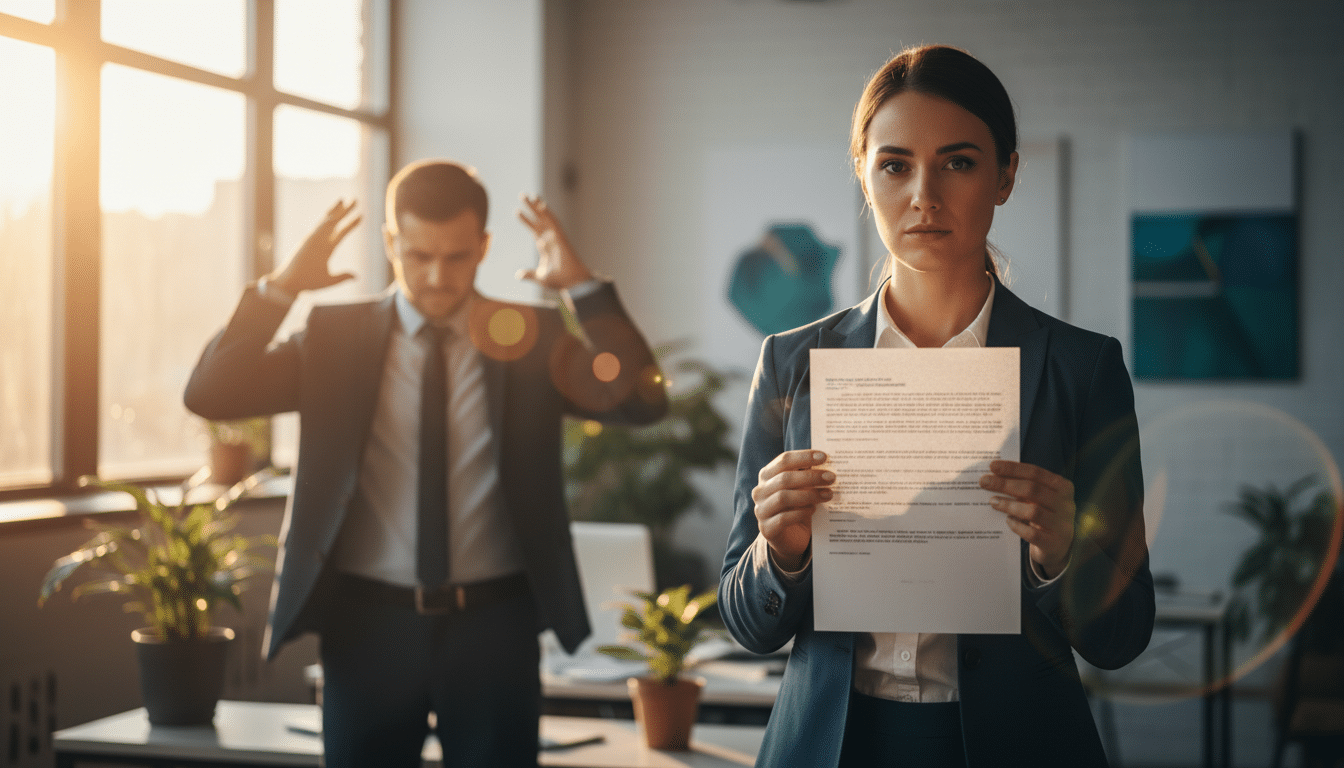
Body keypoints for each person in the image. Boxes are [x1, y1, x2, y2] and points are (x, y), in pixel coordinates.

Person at [718, 45, 1154, 768]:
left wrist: (1062, 553)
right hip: (831, 745)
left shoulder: (1081, 370)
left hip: (1019, 747)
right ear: (863, 172)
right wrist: (782, 552)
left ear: (1006, 174)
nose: (924, 194)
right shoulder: (791, 363)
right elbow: (747, 622)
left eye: (958, 162)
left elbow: (1126, 632)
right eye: (895, 165)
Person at [184, 160, 668, 767]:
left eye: (458, 257)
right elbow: (211, 393)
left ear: (484, 246)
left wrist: (583, 290)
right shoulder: (335, 337)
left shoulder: (531, 337)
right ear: (390, 243)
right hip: (367, 628)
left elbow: (642, 401)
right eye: (417, 256)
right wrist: (281, 288)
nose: (437, 278)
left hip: (495, 627)